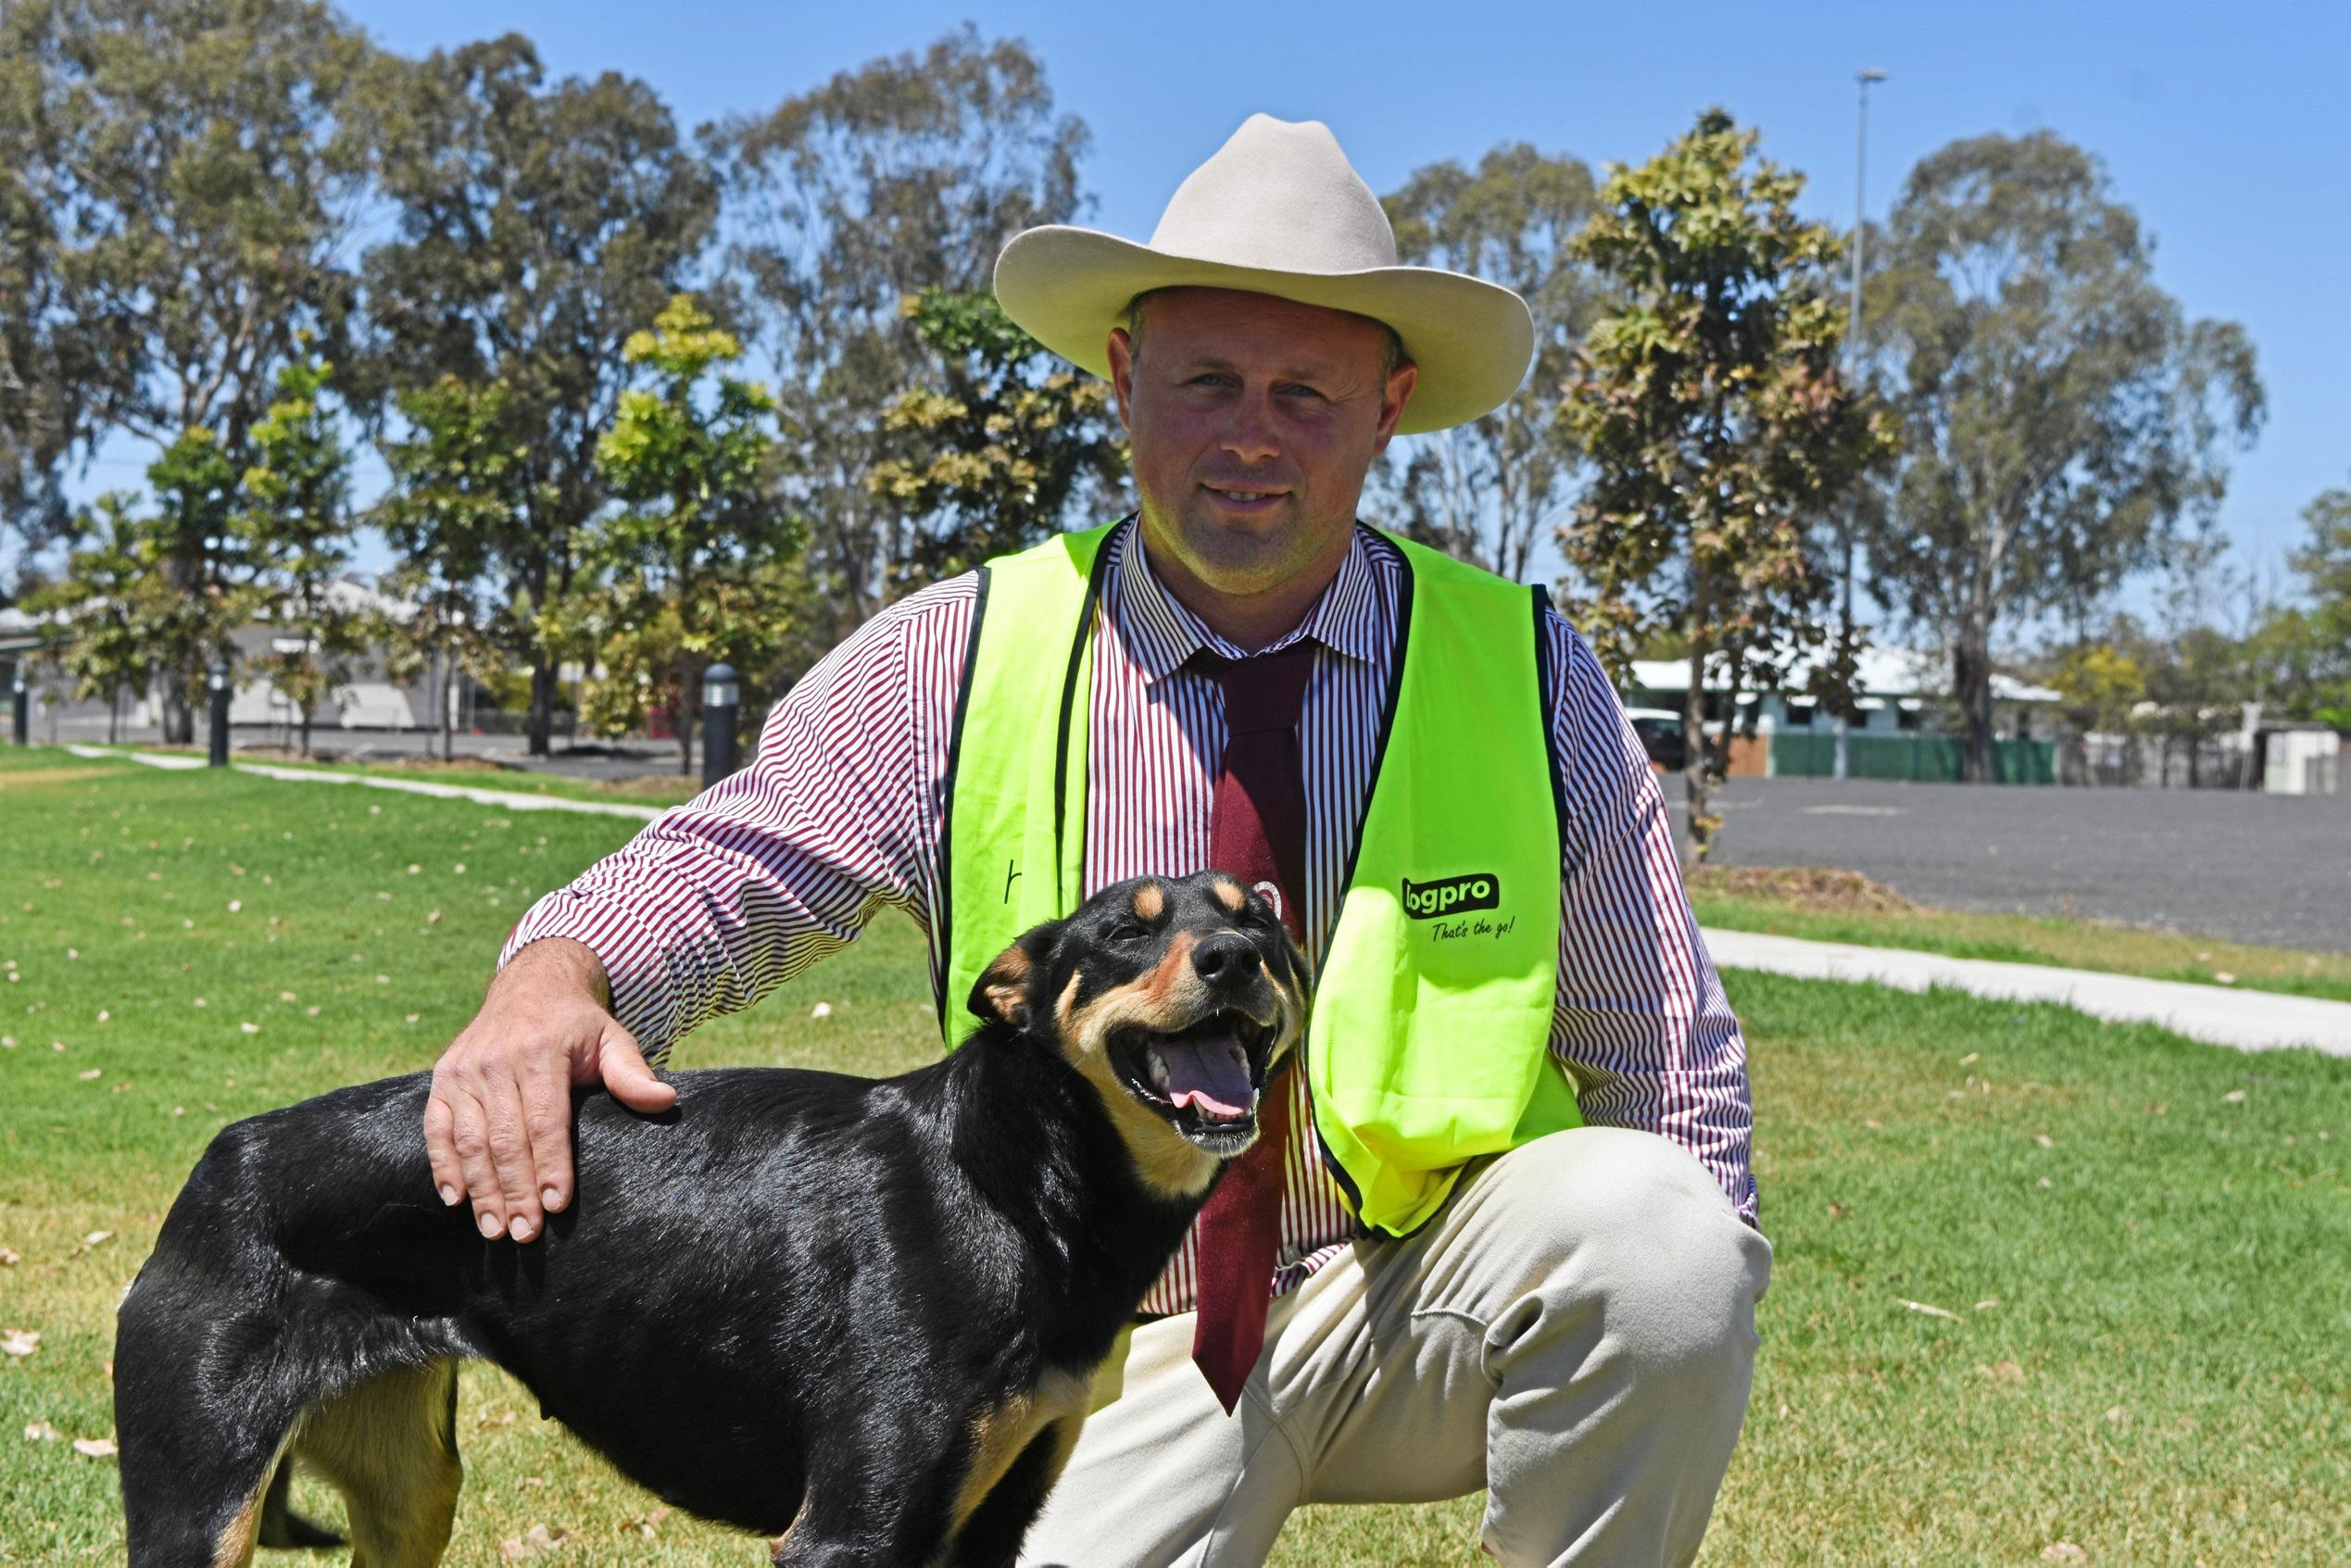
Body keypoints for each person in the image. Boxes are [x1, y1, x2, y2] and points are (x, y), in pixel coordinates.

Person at [425, 113, 1772, 1567]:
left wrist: (1699, 1326)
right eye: (1205, 380)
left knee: (1663, 1232)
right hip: (1088, 1335)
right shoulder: (962, 648)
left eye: (1304, 392)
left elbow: (1661, 1052)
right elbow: (736, 862)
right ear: (1122, 381)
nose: (1250, 432)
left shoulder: (1523, 663)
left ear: (1388, 408)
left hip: (1411, 1295)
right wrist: (559, 971)